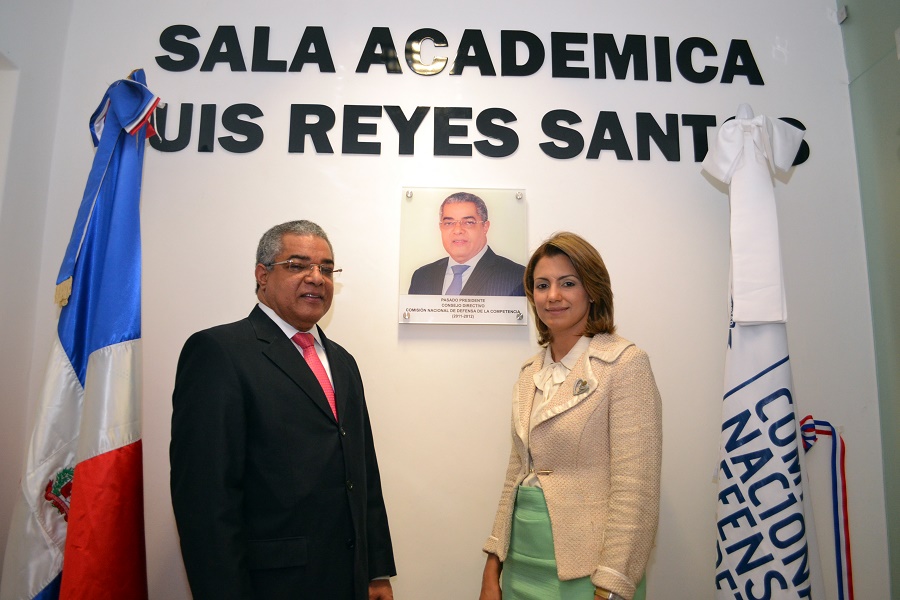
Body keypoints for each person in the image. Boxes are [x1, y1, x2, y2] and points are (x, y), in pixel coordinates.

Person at [170, 220, 396, 600]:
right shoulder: (218, 353)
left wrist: (375, 572)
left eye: (326, 269)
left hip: (349, 581)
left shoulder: (343, 362)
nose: (316, 278)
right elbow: (205, 501)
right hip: (271, 586)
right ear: (263, 275)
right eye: (297, 265)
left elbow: (363, 474)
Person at [479, 232, 662, 600]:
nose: (553, 296)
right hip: (520, 562)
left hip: (591, 571)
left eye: (567, 283)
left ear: (592, 290)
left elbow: (636, 491)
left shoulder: (626, 364)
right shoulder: (530, 373)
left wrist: (612, 586)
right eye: (542, 285)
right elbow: (516, 473)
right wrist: (493, 563)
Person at [407, 192, 525, 296]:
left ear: (485, 227)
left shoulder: (517, 277)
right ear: (441, 227)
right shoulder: (422, 276)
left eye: (468, 222)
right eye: (449, 223)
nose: (458, 230)